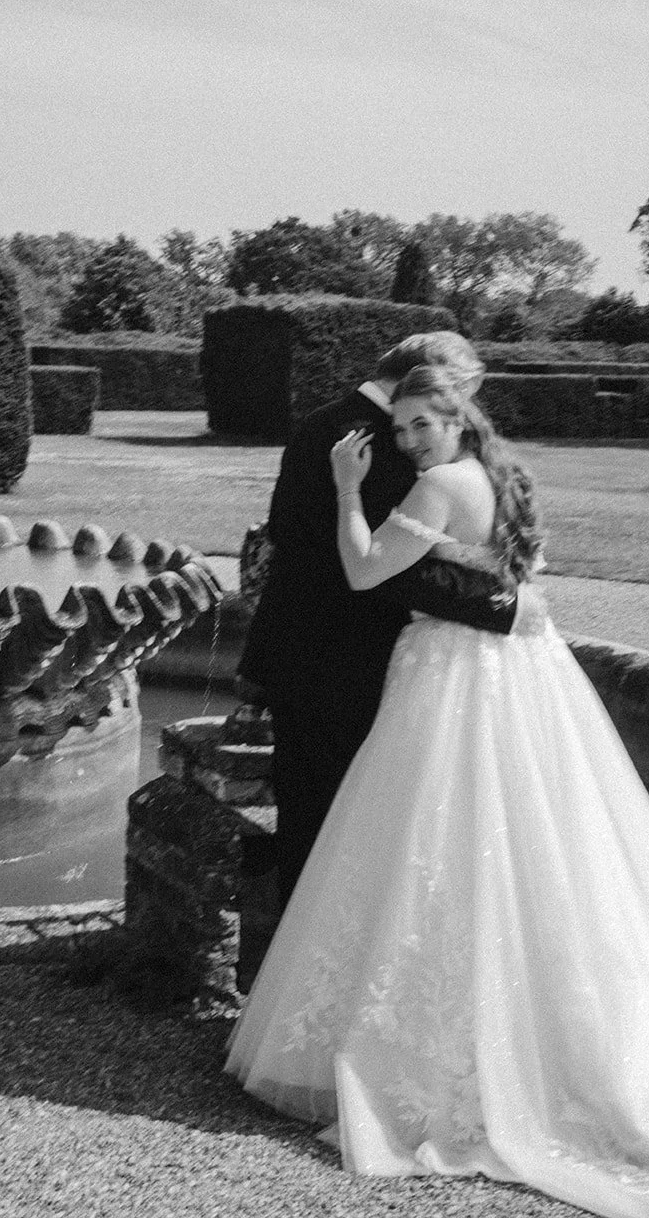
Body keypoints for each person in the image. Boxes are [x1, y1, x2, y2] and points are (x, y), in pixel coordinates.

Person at [227, 366, 649, 1217]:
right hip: (512, 674)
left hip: (450, 677)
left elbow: (366, 574)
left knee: (435, 834)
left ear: (454, 417)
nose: (407, 441)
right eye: (399, 428)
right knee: (510, 832)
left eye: (419, 425)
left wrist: (345, 491)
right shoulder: (501, 476)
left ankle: (449, 1052)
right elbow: (522, 573)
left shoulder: (440, 485)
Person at [237, 332, 537, 906]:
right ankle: (299, 957)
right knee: (321, 817)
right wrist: (501, 606)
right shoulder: (352, 435)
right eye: (459, 387)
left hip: (350, 657)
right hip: (330, 662)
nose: (461, 403)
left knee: (363, 819)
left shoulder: (343, 423)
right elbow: (373, 564)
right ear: (422, 375)